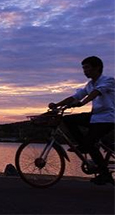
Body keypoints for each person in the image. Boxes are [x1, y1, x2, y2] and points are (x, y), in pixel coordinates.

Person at [49, 56, 114, 185]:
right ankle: (83, 145)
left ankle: (105, 174)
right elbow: (75, 97)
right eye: (83, 68)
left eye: (87, 68)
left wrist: (82, 103)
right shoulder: (89, 85)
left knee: (90, 143)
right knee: (68, 119)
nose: (85, 71)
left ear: (97, 68)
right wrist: (57, 105)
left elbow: (96, 93)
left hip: (108, 118)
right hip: (95, 117)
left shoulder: (108, 80)